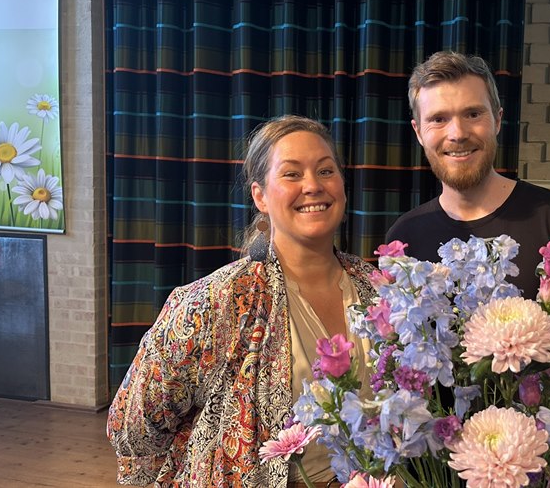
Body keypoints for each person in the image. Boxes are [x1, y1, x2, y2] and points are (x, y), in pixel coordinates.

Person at [107, 115, 376, 487]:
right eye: (292, 174)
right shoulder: (216, 303)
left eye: (326, 171)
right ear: (260, 196)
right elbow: (133, 426)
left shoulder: (377, 291)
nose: (313, 186)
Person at [386, 51, 550, 304]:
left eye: (473, 114)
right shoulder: (403, 238)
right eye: (438, 119)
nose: (457, 133)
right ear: (419, 132)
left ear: (497, 120)